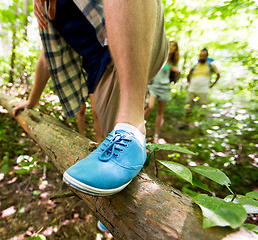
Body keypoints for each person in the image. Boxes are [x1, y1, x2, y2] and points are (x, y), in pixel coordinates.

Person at [15, 0, 169, 197]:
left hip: (135, 43)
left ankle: (133, 126)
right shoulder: (45, 9)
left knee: (127, 134)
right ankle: (121, 201)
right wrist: (31, 102)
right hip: (98, 71)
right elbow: (46, 59)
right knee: (107, 140)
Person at [13, 49, 102, 143]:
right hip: (77, 71)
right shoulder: (53, 39)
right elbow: (45, 60)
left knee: (96, 112)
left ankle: (100, 143)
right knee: (81, 109)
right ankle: (83, 139)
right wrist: (31, 102)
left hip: (95, 66)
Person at [144, 40, 180, 142]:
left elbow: (175, 80)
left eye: (174, 47)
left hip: (165, 88)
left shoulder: (173, 63)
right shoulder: (159, 57)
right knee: (149, 107)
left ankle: (156, 135)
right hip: (153, 86)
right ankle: (138, 129)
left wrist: (176, 72)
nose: (171, 48)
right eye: (170, 45)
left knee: (160, 112)